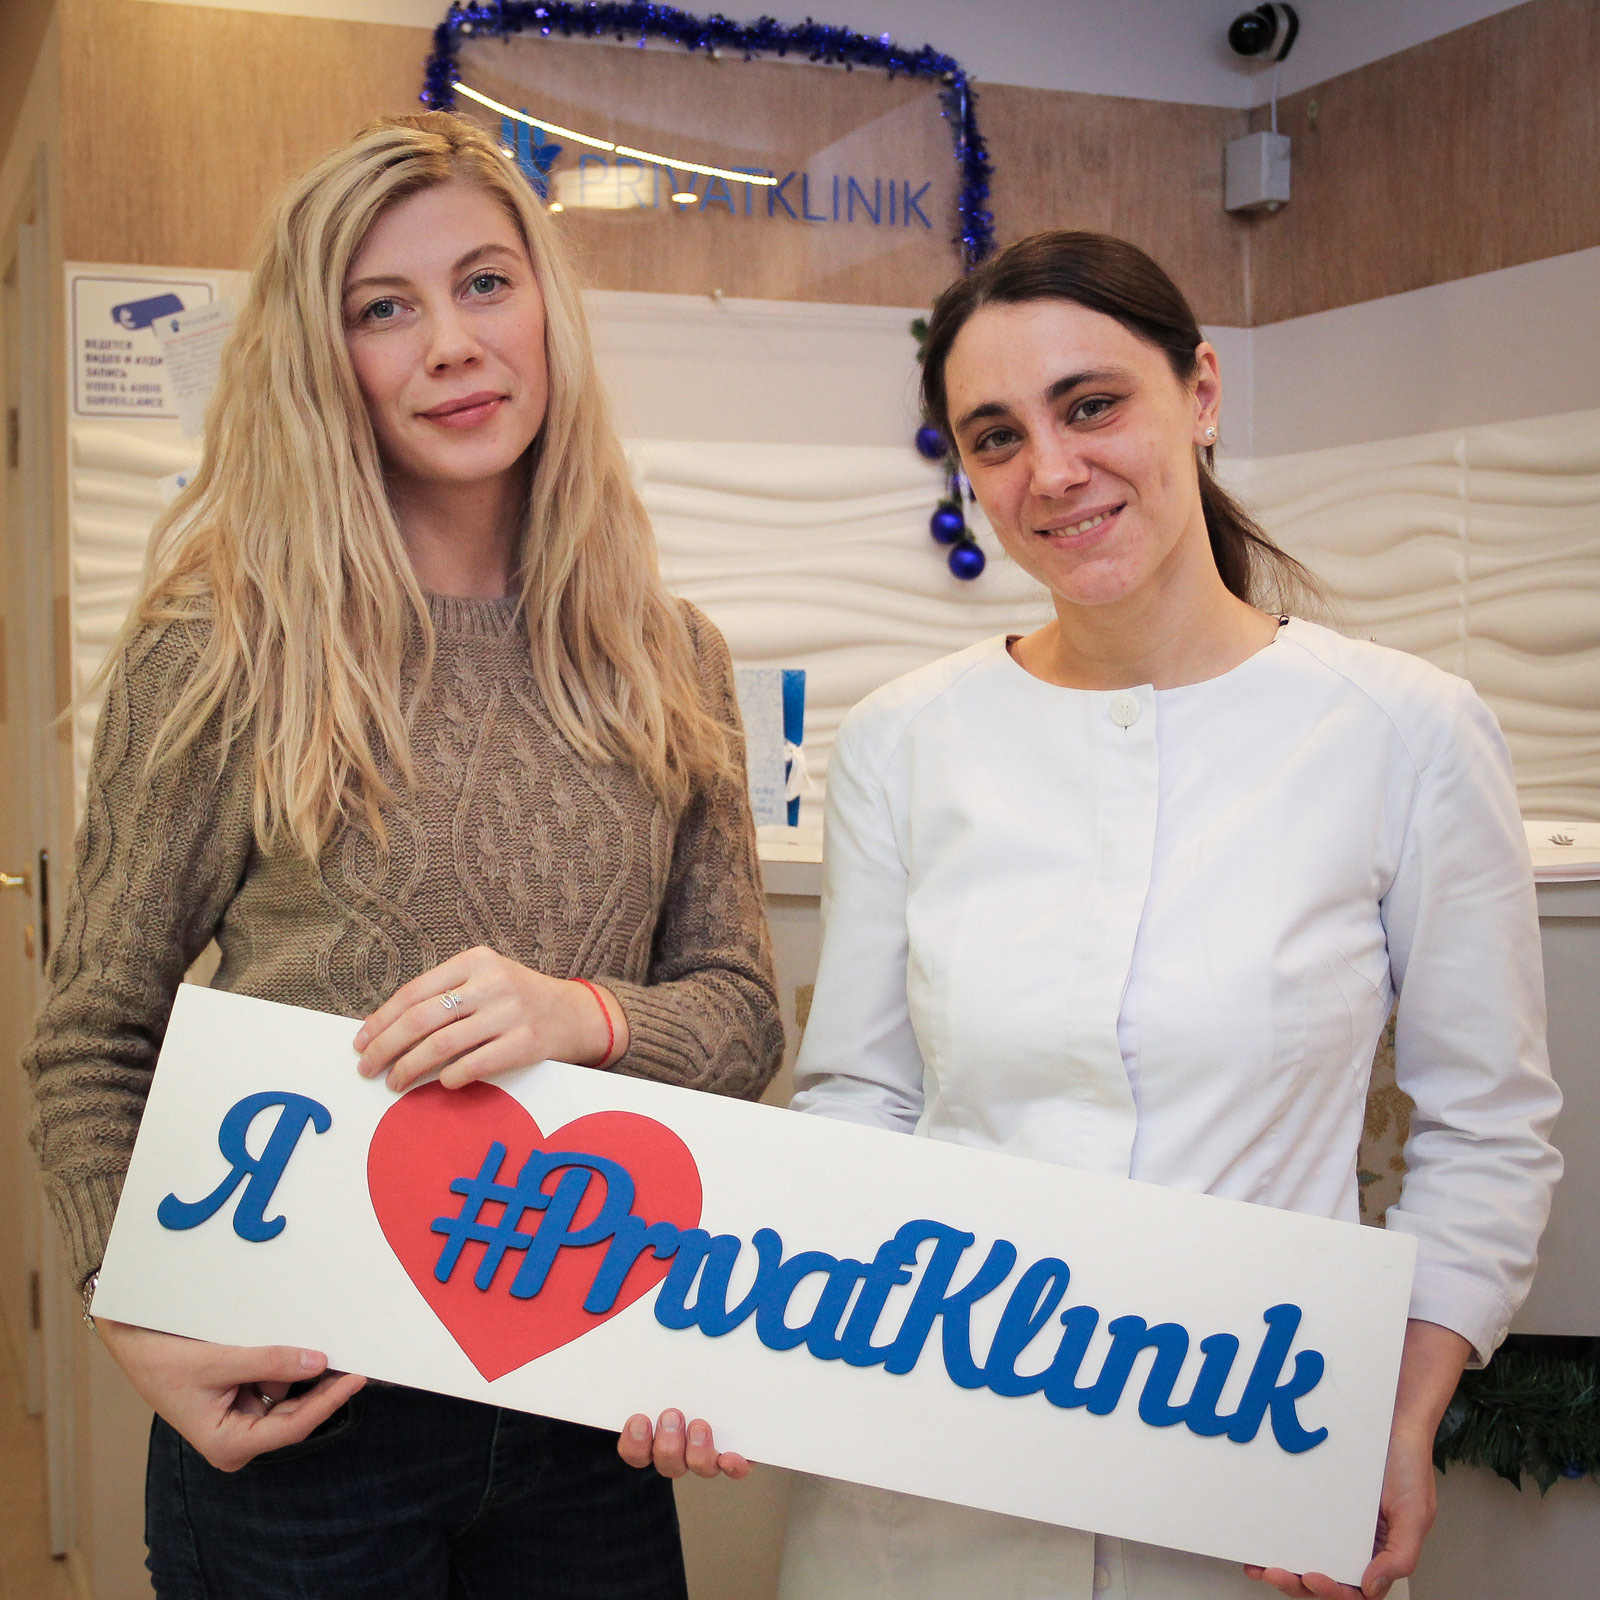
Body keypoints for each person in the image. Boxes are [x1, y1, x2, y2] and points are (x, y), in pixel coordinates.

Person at [24, 111, 782, 1599]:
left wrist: (583, 1015)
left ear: (546, 310)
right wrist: (131, 1311)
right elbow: (94, 1034)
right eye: (385, 308)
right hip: (309, 1399)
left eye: (486, 283)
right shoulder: (227, 646)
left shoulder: (668, 656)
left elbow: (745, 1015)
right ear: (325, 361)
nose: (451, 344)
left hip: (588, 1393)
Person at [771, 232, 1562, 1600]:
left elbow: (1487, 1131)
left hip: (1252, 1490)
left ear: (1199, 393)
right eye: (997, 436)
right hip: (928, 1488)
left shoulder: (1405, 731)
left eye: (1092, 405)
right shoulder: (905, 737)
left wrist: (1397, 1415)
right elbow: (860, 1100)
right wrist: (758, 1353)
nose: (1051, 470)